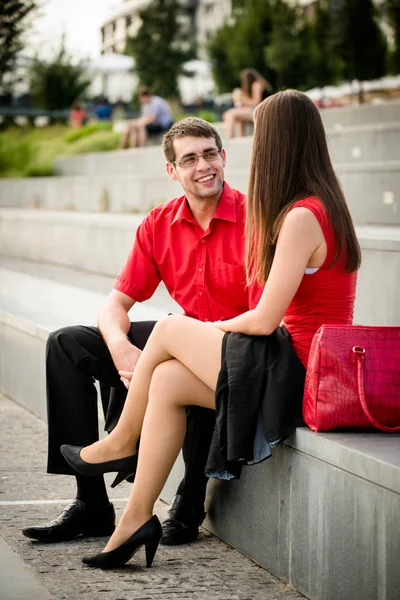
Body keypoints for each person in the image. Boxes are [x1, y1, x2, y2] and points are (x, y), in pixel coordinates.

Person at [60, 89, 362, 568]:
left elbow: (264, 318)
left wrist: (208, 330)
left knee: (169, 330)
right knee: (167, 380)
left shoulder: (303, 215)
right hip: (294, 363)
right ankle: (135, 519)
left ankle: (120, 442)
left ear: (278, 144)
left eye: (261, 135)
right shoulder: (322, 205)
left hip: (298, 372)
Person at [22, 117, 261, 546]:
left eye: (210, 154)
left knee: (176, 354)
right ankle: (91, 503)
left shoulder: (255, 219)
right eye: (189, 159)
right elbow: (115, 304)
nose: (202, 165)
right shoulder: (158, 224)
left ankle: (189, 500)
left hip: (234, 344)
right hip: (183, 336)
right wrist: (120, 348)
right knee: (67, 344)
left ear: (224, 157)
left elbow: (265, 316)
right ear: (172, 170)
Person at [223, 68, 273, 138]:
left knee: (231, 114)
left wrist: (242, 98)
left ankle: (230, 138)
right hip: (258, 110)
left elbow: (256, 103)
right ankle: (242, 137)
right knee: (230, 114)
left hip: (262, 111)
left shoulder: (257, 85)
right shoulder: (257, 84)